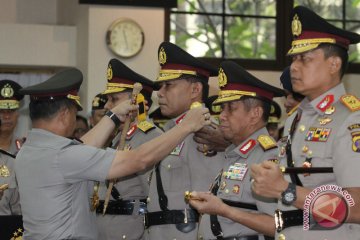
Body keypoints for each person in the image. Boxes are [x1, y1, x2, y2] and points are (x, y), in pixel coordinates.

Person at [14, 68, 211, 240]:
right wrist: (185, 126)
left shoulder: (28, 152)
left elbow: (81, 148)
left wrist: (113, 117)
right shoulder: (63, 156)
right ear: (65, 114)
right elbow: (138, 160)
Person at [251, 6, 360, 240]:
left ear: (333, 65)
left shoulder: (351, 119)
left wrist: (286, 191)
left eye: (305, 59)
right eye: (293, 59)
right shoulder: (296, 117)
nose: (294, 67)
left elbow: (357, 205)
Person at [189, 60, 284, 240]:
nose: (222, 116)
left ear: (255, 114)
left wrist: (223, 210)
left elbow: (278, 225)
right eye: (222, 108)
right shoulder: (236, 154)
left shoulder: (267, 157)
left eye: (231, 109)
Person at [145, 42, 225, 240]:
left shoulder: (204, 131)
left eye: (168, 85)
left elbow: (206, 198)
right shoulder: (173, 130)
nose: (159, 93)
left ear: (195, 89)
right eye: (160, 86)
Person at [96, 58, 163, 240]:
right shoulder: (119, 137)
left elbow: (153, 198)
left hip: (132, 232)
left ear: (137, 101)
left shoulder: (149, 137)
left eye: (114, 99)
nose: (107, 106)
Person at [0, 80, 25, 155]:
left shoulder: (25, 149)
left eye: (12, 111)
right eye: (1, 111)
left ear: (17, 115)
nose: (7, 116)